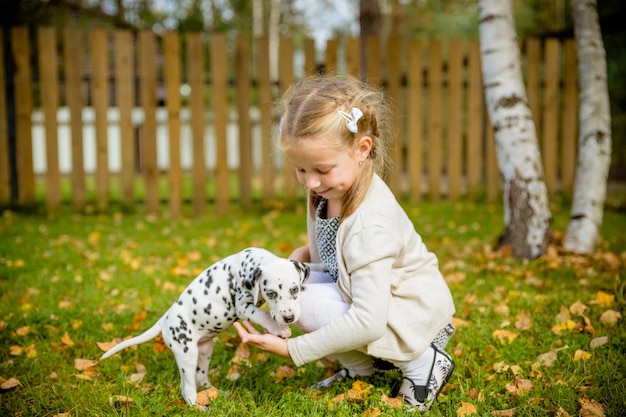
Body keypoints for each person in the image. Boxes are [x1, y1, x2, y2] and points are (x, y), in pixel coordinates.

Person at [234, 74, 456, 412]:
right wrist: (296, 264)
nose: (310, 181)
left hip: (408, 316)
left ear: (362, 149)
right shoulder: (326, 191)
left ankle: (423, 364)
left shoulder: (370, 222)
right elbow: (327, 256)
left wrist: (295, 350)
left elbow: (369, 320)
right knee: (292, 290)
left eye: (321, 169)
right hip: (362, 293)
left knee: (301, 303)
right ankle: (361, 370)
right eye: (300, 169)